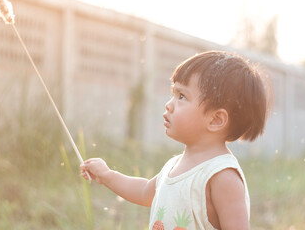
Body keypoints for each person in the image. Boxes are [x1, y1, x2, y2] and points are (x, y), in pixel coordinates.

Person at [81, 50, 269, 230]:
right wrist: (107, 176)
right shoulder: (174, 166)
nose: (169, 104)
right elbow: (144, 191)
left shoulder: (221, 176)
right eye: (173, 93)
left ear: (215, 120)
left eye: (181, 96)